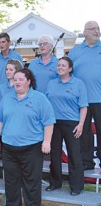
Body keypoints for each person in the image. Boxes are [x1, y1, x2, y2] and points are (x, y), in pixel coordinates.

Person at [0, 68, 55, 205]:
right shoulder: (7, 98)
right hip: (9, 149)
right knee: (11, 183)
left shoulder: (40, 99)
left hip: (31, 148)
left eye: (21, 79)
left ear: (29, 81)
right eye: (15, 80)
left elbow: (48, 122)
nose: (17, 82)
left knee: (31, 184)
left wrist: (47, 142)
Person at [46, 56, 87, 196]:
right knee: (55, 155)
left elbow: (83, 107)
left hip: (72, 124)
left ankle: (76, 186)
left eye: (63, 65)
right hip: (54, 124)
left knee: (74, 155)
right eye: (59, 65)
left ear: (70, 69)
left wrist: (81, 124)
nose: (60, 67)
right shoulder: (51, 83)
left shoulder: (78, 84)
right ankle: (55, 183)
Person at [68, 21, 101, 170]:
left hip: (100, 99)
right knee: (84, 132)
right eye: (93, 29)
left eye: (98, 28)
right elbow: (68, 74)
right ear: (85, 32)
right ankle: (87, 162)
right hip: (82, 101)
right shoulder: (75, 52)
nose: (97, 31)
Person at [0, 33, 23, 98]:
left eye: (3, 42)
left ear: (9, 42)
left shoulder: (17, 57)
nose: (1, 45)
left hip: (15, 94)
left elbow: (22, 76)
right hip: (0, 95)